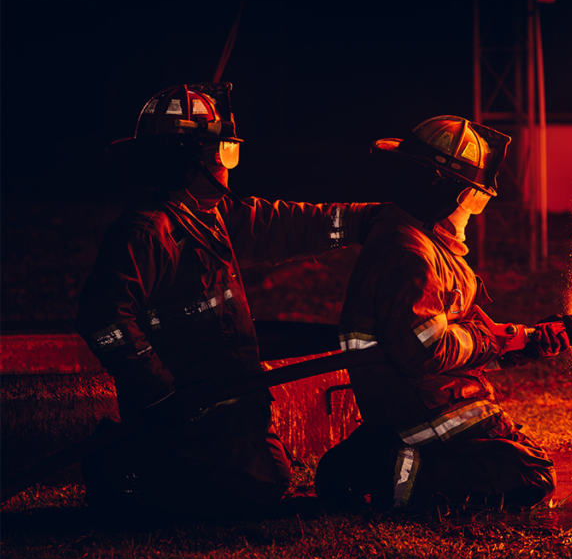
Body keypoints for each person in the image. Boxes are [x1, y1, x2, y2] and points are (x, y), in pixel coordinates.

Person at [76, 82, 378, 517]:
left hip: (227, 405)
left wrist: (367, 221)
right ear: (190, 160)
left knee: (269, 475)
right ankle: (127, 470)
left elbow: (290, 225)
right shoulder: (149, 232)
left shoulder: (209, 217)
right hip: (186, 414)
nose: (228, 166)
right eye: (223, 153)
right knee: (258, 487)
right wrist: (160, 397)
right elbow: (103, 317)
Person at [314, 115, 572, 511]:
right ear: (445, 191)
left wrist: (525, 342)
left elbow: (454, 330)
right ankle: (392, 471)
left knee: (518, 457)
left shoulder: (420, 242)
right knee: (531, 475)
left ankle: (373, 456)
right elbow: (427, 349)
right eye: (473, 198)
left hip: (420, 402)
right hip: (423, 410)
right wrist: (494, 340)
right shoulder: (410, 254)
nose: (474, 210)